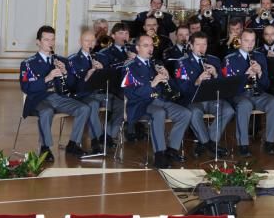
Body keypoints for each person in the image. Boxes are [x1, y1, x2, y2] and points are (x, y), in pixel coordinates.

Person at [20, 26, 90, 161]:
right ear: (38, 42)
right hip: (38, 98)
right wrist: (47, 78)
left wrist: (65, 72)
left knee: (84, 108)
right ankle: (45, 148)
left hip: (58, 97)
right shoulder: (28, 64)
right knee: (46, 112)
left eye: (52, 39)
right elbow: (26, 87)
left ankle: (73, 144)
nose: (50, 43)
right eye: (46, 40)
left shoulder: (61, 60)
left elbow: (72, 85)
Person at [122, 34, 191, 169]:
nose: (150, 48)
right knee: (158, 113)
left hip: (160, 100)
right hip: (140, 104)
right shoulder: (130, 67)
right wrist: (153, 83)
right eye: (145, 45)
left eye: (151, 45)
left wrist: (167, 77)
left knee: (186, 113)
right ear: (137, 48)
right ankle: (159, 155)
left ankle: (172, 150)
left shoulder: (155, 64)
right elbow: (130, 93)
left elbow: (171, 88)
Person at [174, 32, 232, 157]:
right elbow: (182, 89)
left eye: (204, 44)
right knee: (194, 113)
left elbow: (224, 85)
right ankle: (209, 144)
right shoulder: (182, 62)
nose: (201, 48)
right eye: (198, 44)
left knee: (228, 110)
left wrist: (216, 74)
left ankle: (207, 142)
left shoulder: (214, 60)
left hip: (211, 99)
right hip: (193, 99)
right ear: (191, 45)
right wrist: (198, 81)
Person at [223, 30, 274, 156]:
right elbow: (228, 87)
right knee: (245, 105)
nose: (250, 44)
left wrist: (260, 73)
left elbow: (266, 85)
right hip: (240, 94)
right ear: (239, 41)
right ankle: (243, 144)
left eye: (252, 41)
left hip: (257, 93)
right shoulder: (230, 59)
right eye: (246, 40)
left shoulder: (260, 56)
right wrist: (246, 75)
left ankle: (269, 142)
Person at [69, 28, 123, 152]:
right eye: (86, 41)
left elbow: (112, 76)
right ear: (80, 42)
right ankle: (96, 140)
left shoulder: (103, 57)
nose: (90, 44)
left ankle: (108, 135)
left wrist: (103, 70)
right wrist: (89, 74)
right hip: (84, 94)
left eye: (92, 41)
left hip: (103, 93)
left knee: (121, 104)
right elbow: (73, 86)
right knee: (93, 104)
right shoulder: (73, 60)